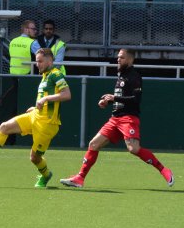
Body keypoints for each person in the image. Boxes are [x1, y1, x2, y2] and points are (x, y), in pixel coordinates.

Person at [60, 48, 173, 189]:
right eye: (118, 57)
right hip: (115, 119)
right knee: (93, 144)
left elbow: (135, 99)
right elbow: (120, 98)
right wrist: (108, 101)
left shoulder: (135, 76)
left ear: (131, 60)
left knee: (133, 148)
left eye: (122, 57)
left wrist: (114, 98)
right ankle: (80, 178)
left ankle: (164, 170)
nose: (118, 59)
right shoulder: (121, 75)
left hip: (128, 118)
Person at [0, 47, 71, 188]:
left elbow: (66, 95)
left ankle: (46, 175)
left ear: (50, 60)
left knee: (34, 158)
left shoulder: (56, 74)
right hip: (36, 116)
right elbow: (47, 96)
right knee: (4, 127)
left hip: (47, 124)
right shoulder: (46, 75)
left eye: (40, 61)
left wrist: (45, 100)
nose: (37, 64)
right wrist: (37, 107)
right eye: (36, 61)